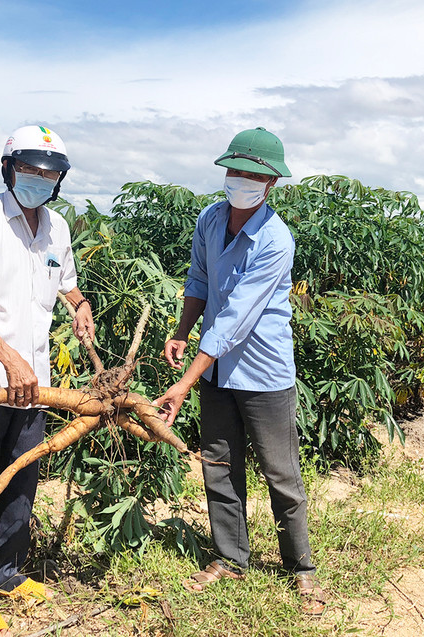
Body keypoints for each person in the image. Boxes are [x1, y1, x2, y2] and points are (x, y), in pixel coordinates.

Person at [153, 127, 325, 615]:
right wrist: (182, 330)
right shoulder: (211, 219)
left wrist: (183, 382)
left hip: (264, 374)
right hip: (215, 374)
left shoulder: (274, 239)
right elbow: (199, 279)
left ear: (271, 184)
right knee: (220, 468)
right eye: (236, 171)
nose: (241, 180)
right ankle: (230, 559)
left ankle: (301, 568)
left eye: (253, 174)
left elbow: (235, 320)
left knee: (281, 473)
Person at [0, 125, 95, 637]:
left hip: (36, 384)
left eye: (50, 174)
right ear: (9, 169)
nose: (40, 180)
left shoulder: (57, 229)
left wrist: (81, 306)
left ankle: (8, 573)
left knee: (22, 481)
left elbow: (67, 283)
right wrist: (8, 357)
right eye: (31, 170)